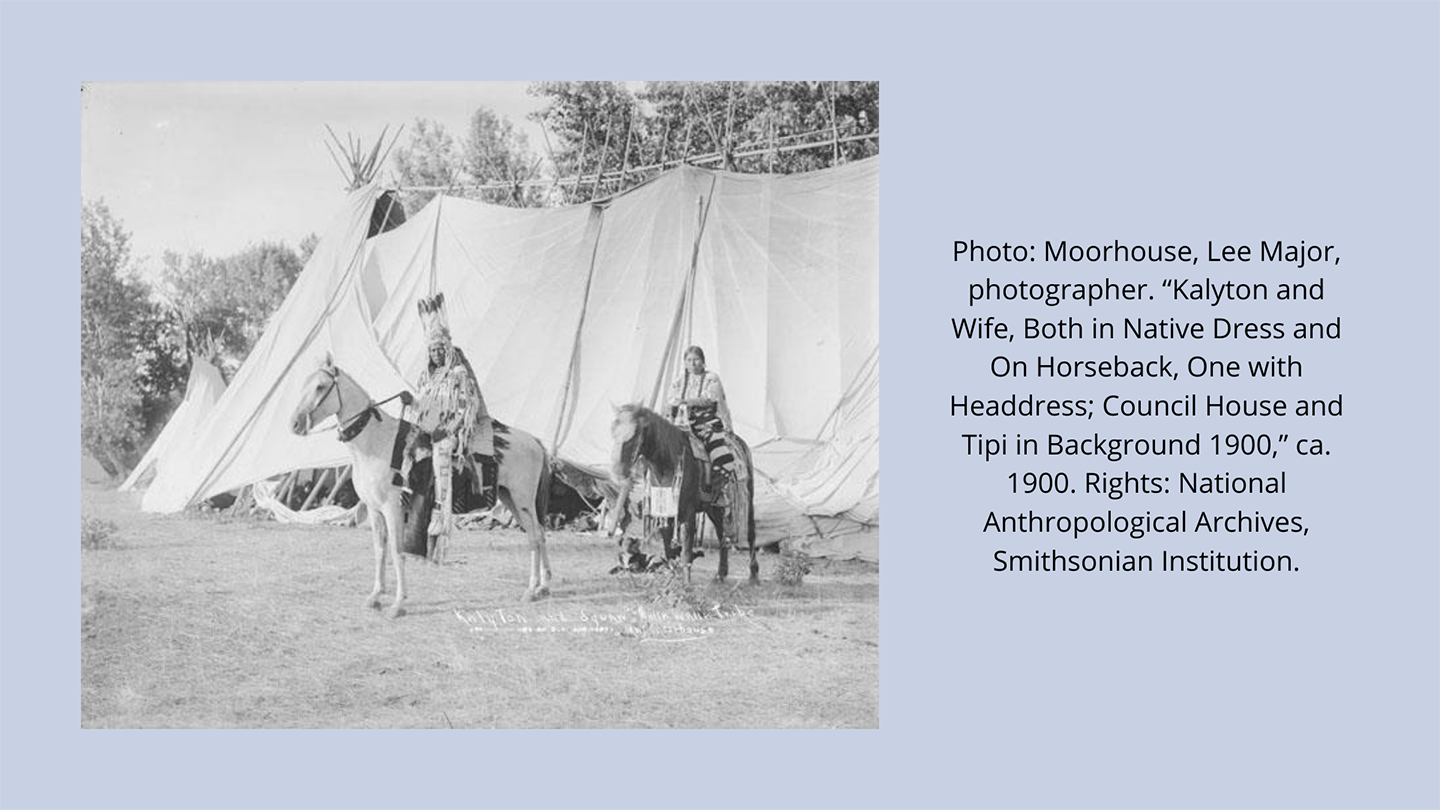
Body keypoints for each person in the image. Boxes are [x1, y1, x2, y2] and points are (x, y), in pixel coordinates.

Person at [412, 293, 491, 558]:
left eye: (440, 349)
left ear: (447, 350)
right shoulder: (426, 377)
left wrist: (448, 429)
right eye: (432, 350)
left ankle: (441, 514)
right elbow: (422, 406)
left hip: (451, 433)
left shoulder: (458, 375)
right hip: (429, 429)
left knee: (441, 453)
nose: (436, 353)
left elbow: (465, 406)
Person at [666, 345, 736, 480]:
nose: (692, 363)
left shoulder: (711, 378)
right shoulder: (679, 380)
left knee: (716, 447)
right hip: (681, 423)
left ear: (703, 361)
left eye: (696, 359)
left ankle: (720, 481)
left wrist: (686, 402)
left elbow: (710, 398)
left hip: (706, 422)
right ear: (685, 363)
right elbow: (671, 399)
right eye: (689, 360)